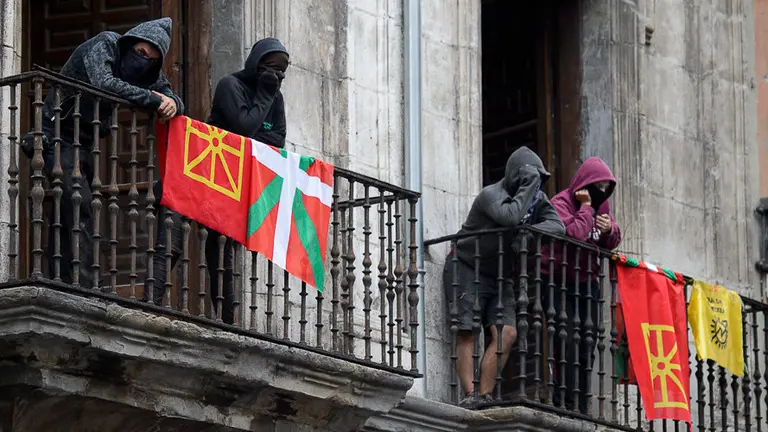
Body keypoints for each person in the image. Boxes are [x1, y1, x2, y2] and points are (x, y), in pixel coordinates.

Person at [22, 18, 183, 289]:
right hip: (55, 133)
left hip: (86, 142)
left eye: (151, 59)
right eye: (141, 52)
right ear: (130, 43)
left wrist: (173, 103)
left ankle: (68, 280)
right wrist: (156, 100)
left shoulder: (149, 72)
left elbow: (170, 95)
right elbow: (104, 83)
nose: (144, 61)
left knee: (74, 207)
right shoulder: (107, 44)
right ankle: (86, 285)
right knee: (78, 202)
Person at [146, 38, 289, 324]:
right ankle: (149, 302)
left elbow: (278, 141)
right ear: (256, 63)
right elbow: (245, 127)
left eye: (282, 70)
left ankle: (228, 323)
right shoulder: (230, 85)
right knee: (172, 238)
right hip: (199, 170)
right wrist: (262, 100)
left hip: (231, 181)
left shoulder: (276, 98)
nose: (276, 75)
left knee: (221, 252)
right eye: (271, 67)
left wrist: (258, 117)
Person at [442, 146, 565, 408]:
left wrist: (528, 231)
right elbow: (510, 217)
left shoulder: (536, 199)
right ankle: (470, 394)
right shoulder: (491, 195)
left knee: (507, 333)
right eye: (531, 179)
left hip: (500, 275)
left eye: (538, 180)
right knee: (467, 331)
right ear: (517, 177)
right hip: (467, 266)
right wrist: (528, 188)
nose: (536, 185)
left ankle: (484, 395)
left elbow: (558, 226)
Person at [542, 156, 621, 414]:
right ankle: (562, 399)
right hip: (557, 281)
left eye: (605, 188)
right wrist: (586, 208)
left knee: (588, 341)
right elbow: (573, 234)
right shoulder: (560, 203)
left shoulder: (602, 205)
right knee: (564, 339)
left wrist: (610, 230)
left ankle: (580, 402)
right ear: (585, 185)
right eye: (597, 186)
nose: (601, 193)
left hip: (587, 282)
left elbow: (610, 242)